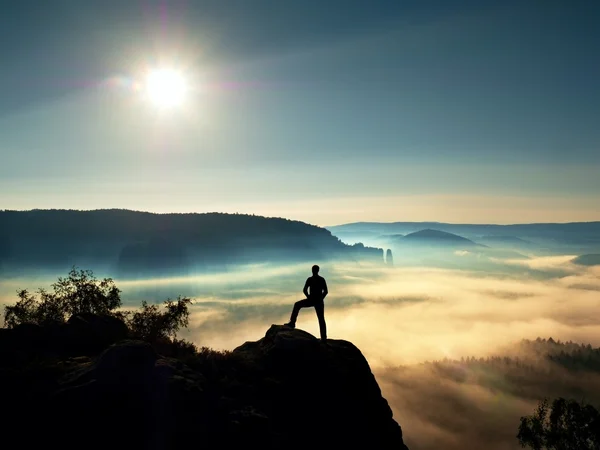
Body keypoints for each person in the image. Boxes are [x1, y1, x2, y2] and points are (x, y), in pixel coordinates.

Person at [285, 264, 328, 341]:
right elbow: (305, 290)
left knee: (321, 318)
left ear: (316, 271)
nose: (314, 271)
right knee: (297, 305)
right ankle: (292, 323)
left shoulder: (319, 279)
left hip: (317, 301)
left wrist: (319, 298)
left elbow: (325, 291)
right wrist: (310, 297)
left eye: (314, 270)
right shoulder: (313, 279)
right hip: (314, 300)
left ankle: (324, 338)